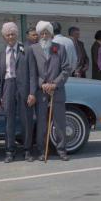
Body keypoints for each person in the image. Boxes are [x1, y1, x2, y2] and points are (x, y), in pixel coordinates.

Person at [0, 21, 35, 162]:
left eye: (13, 34)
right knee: (8, 122)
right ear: (4, 37)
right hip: (8, 87)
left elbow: (33, 74)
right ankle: (9, 151)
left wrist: (32, 93)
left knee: (26, 121)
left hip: (24, 88)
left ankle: (27, 150)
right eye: (7, 35)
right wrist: (1, 94)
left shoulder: (27, 50)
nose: (10, 37)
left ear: (17, 35)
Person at [28, 21, 70, 161]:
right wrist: (43, 84)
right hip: (41, 93)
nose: (44, 36)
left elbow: (66, 70)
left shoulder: (60, 48)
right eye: (42, 33)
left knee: (59, 123)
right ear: (39, 35)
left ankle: (61, 150)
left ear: (51, 34)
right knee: (41, 124)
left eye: (47, 33)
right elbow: (31, 72)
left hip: (57, 92)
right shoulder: (33, 49)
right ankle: (41, 150)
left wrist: (54, 84)